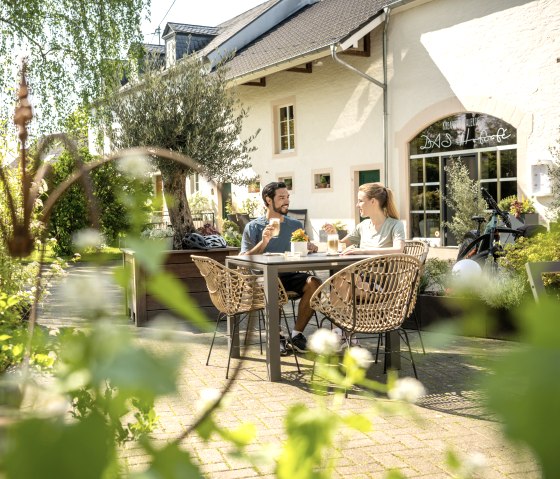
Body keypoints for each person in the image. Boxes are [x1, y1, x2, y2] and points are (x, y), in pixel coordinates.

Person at [240, 181, 320, 354]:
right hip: (263, 278)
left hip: (289, 275)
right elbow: (243, 259)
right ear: (269, 200)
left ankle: (297, 335)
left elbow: (303, 248)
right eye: (281, 197)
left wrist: (310, 247)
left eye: (288, 197)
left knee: (314, 282)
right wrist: (264, 242)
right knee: (272, 285)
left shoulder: (295, 225)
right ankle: (277, 336)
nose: (287, 201)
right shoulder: (253, 227)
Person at [323, 182, 405, 255]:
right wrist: (333, 234)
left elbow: (398, 250)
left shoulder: (395, 225)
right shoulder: (362, 226)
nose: (357, 205)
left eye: (360, 201)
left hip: (383, 272)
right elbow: (340, 246)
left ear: (373, 201)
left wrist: (363, 251)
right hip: (360, 271)